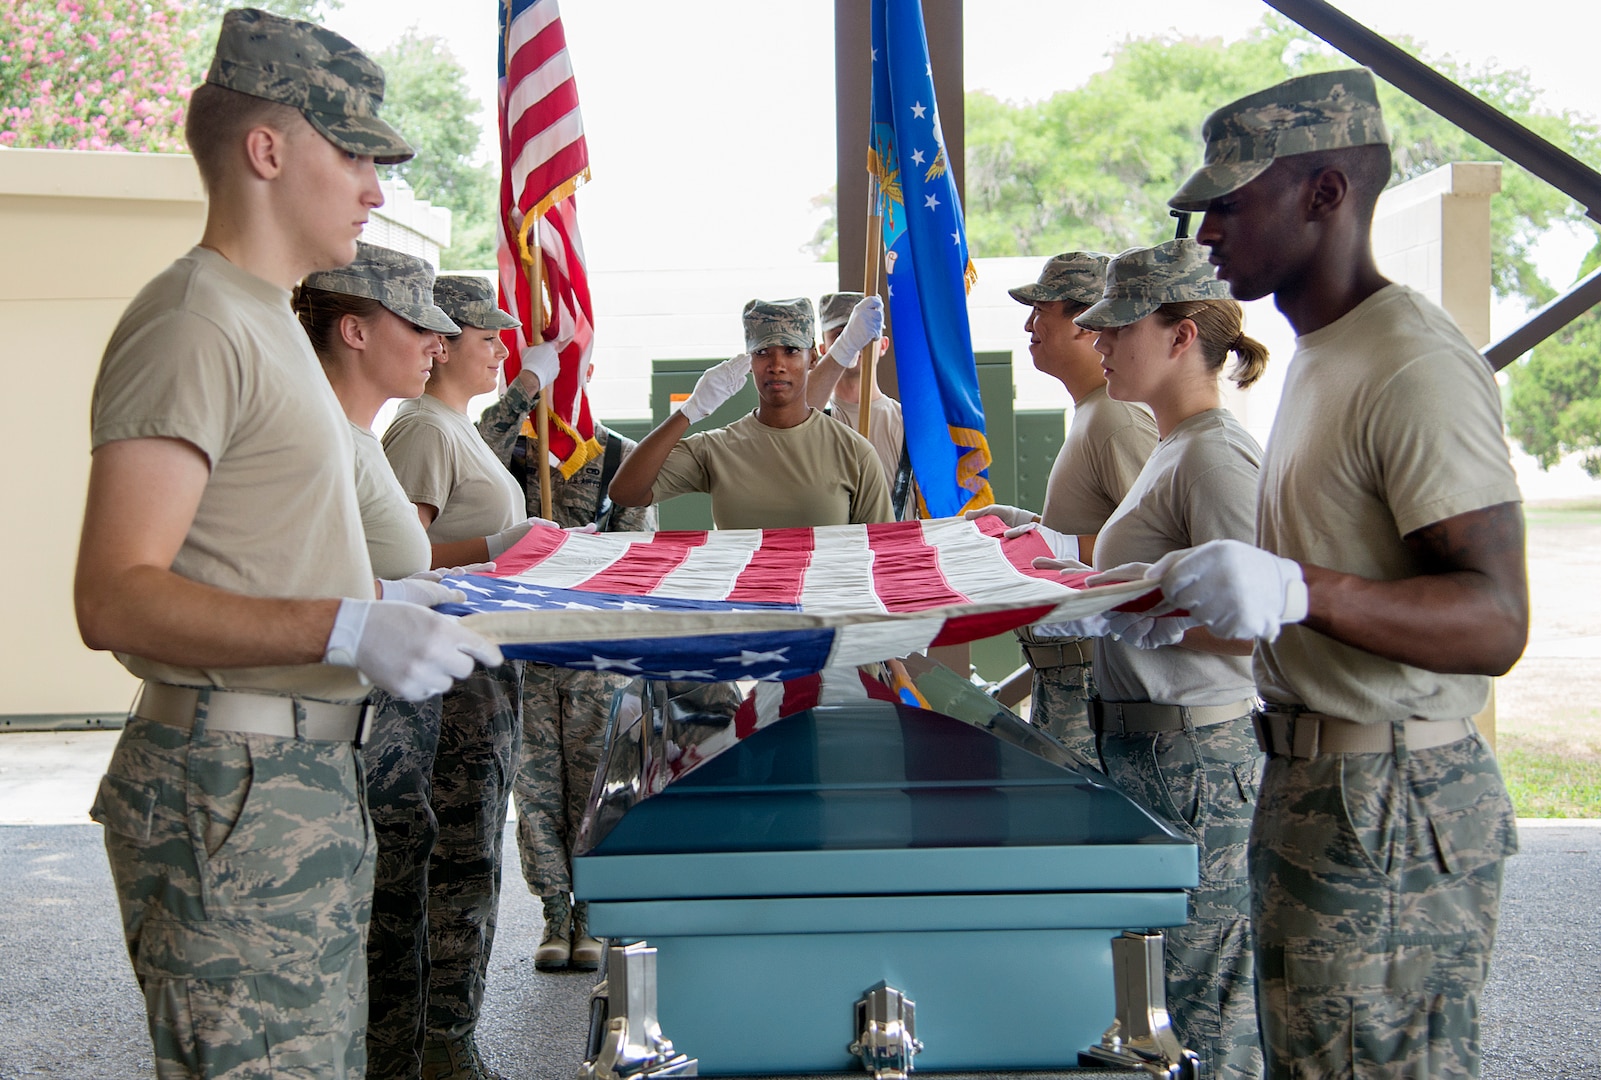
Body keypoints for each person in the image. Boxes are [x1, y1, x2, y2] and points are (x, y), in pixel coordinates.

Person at [76, 11, 500, 1079]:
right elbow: (116, 597)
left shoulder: (259, 317)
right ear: (267, 151)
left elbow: (264, 540)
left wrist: (395, 590)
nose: (373, 186)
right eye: (352, 153)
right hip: (232, 786)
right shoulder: (195, 320)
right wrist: (347, 624)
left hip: (291, 780)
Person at [1145, 68, 1525, 1077]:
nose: (1206, 231)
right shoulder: (1323, 352)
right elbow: (1341, 585)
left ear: (1326, 192)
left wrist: (1298, 588)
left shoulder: (1410, 361)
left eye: (1230, 201)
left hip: (1390, 799)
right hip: (1316, 782)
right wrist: (1171, 610)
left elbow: (1493, 617)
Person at [296, 248, 540, 1080]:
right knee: (399, 885)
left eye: (445, 331)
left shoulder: (362, 437)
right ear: (357, 330)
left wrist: (414, 585)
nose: (437, 345)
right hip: (356, 710)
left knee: (416, 874)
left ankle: (423, 1047)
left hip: (412, 683)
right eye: (424, 326)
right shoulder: (341, 433)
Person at [1041, 238, 1269, 1079]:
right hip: (1145, 746)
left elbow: (1265, 620)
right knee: (1159, 999)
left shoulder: (1212, 452)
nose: (1097, 341)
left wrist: (1150, 617)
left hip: (1195, 753)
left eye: (1117, 327)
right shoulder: (1171, 445)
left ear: (1180, 337)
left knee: (1206, 1008)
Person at [470, 286, 659, 973]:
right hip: (524, 651)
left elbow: (639, 563)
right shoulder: (510, 456)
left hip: (592, 653)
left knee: (595, 792)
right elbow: (470, 445)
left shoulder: (617, 458)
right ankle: (556, 916)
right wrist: (522, 390)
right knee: (537, 790)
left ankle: (594, 916)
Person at [965, 252, 1159, 759]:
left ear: (1084, 322)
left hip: (1095, 677)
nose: (1030, 326)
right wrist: (1030, 527)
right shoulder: (1097, 413)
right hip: (1069, 675)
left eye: (1040, 311)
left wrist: (1046, 546)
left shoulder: (1117, 419)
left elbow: (1159, 550)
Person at [609, 297, 894, 528]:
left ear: (812, 358)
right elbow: (625, 492)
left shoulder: (853, 452)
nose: (776, 364)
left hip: (823, 598)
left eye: (791, 350)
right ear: (749, 361)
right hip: (741, 598)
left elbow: (881, 555)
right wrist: (689, 411)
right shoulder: (719, 448)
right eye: (762, 352)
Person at [805, 292, 907, 500]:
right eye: (841, 335)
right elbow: (790, 416)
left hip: (895, 532)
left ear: (883, 345)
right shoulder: (812, 418)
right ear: (824, 349)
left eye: (865, 333)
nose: (857, 342)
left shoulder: (907, 422)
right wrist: (845, 349)